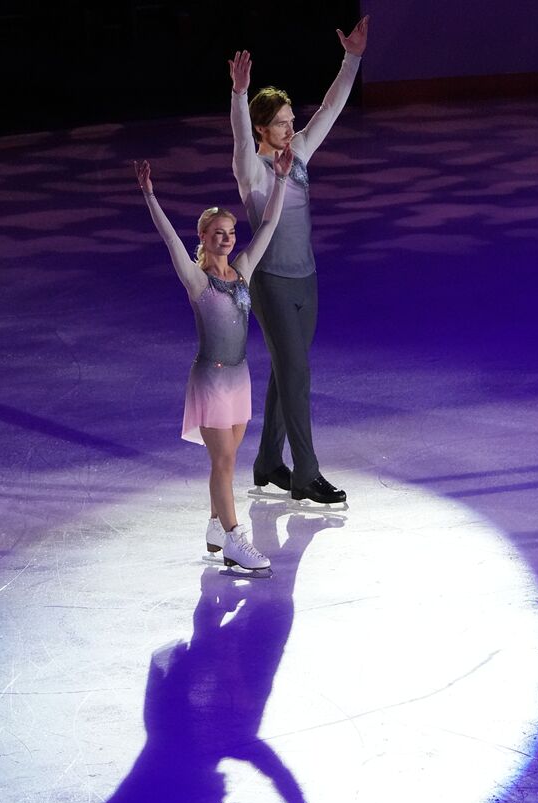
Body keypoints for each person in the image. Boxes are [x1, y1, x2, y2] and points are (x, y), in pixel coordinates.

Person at [228, 16, 370, 504]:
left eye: (293, 121)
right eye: (283, 123)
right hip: (271, 283)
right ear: (264, 129)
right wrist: (238, 95)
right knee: (298, 375)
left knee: (286, 371)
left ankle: (268, 461)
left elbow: (331, 107)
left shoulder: (301, 153)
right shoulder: (254, 173)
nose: (293, 128)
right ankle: (306, 475)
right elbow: (241, 142)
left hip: (308, 281)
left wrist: (351, 58)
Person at [134, 146, 292, 572]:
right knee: (223, 462)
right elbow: (169, 238)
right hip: (212, 379)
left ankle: (213, 527)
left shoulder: (241, 270)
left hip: (240, 378)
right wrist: (150, 195)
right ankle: (236, 540)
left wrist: (279, 180)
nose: (227, 238)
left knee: (226, 461)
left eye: (230, 231)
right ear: (203, 238)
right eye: (217, 233)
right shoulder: (196, 278)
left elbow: (271, 224)